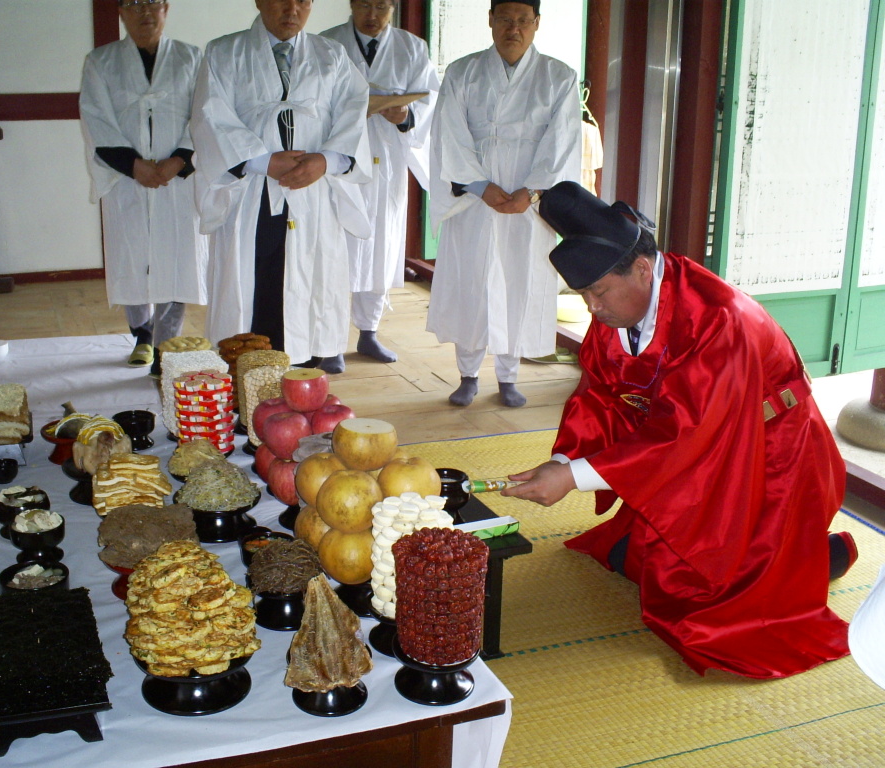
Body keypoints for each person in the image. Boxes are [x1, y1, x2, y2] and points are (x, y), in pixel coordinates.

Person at [502, 180, 858, 678]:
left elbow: (687, 435)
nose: (592, 309)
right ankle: (791, 559)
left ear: (643, 269)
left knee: (706, 608)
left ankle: (815, 555)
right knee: (638, 561)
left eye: (599, 292)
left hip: (769, 456)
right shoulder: (622, 307)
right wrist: (564, 462)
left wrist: (575, 478)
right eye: (583, 295)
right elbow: (600, 396)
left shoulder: (718, 320)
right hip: (704, 450)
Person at [191, 0, 371, 369]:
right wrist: (262, 160)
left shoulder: (331, 55)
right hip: (252, 190)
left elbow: (353, 112)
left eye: (302, 0)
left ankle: (303, 378)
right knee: (256, 289)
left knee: (309, 284)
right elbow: (211, 116)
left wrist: (326, 160)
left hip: (312, 191)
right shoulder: (224, 52)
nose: (292, 9)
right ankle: (249, 384)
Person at [426, 0, 581, 408]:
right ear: (491, 21)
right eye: (506, 19)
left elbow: (562, 142)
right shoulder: (463, 72)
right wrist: (480, 186)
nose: (514, 29)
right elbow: (449, 135)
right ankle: (467, 373)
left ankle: (510, 375)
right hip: (476, 199)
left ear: (536, 24)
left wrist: (531, 191)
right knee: (471, 282)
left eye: (523, 21)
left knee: (520, 281)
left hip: (528, 201)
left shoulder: (558, 77)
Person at [79, 0, 206, 376]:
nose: (144, 12)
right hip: (127, 177)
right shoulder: (100, 62)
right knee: (133, 254)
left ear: (166, 8)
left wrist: (177, 161)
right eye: (134, 3)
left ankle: (168, 342)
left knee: (176, 255)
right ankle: (141, 334)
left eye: (153, 2)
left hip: (176, 176)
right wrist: (134, 165)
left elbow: (204, 113)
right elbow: (96, 117)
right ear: (121, 11)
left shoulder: (191, 58)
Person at [321, 1, 440, 372]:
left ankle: (369, 331)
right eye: (365, 4)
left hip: (387, 160)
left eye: (382, 5)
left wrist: (406, 115)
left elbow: (431, 102)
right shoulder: (327, 45)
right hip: (340, 159)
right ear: (352, 4)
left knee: (380, 245)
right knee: (335, 248)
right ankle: (329, 340)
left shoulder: (412, 48)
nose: (373, 14)